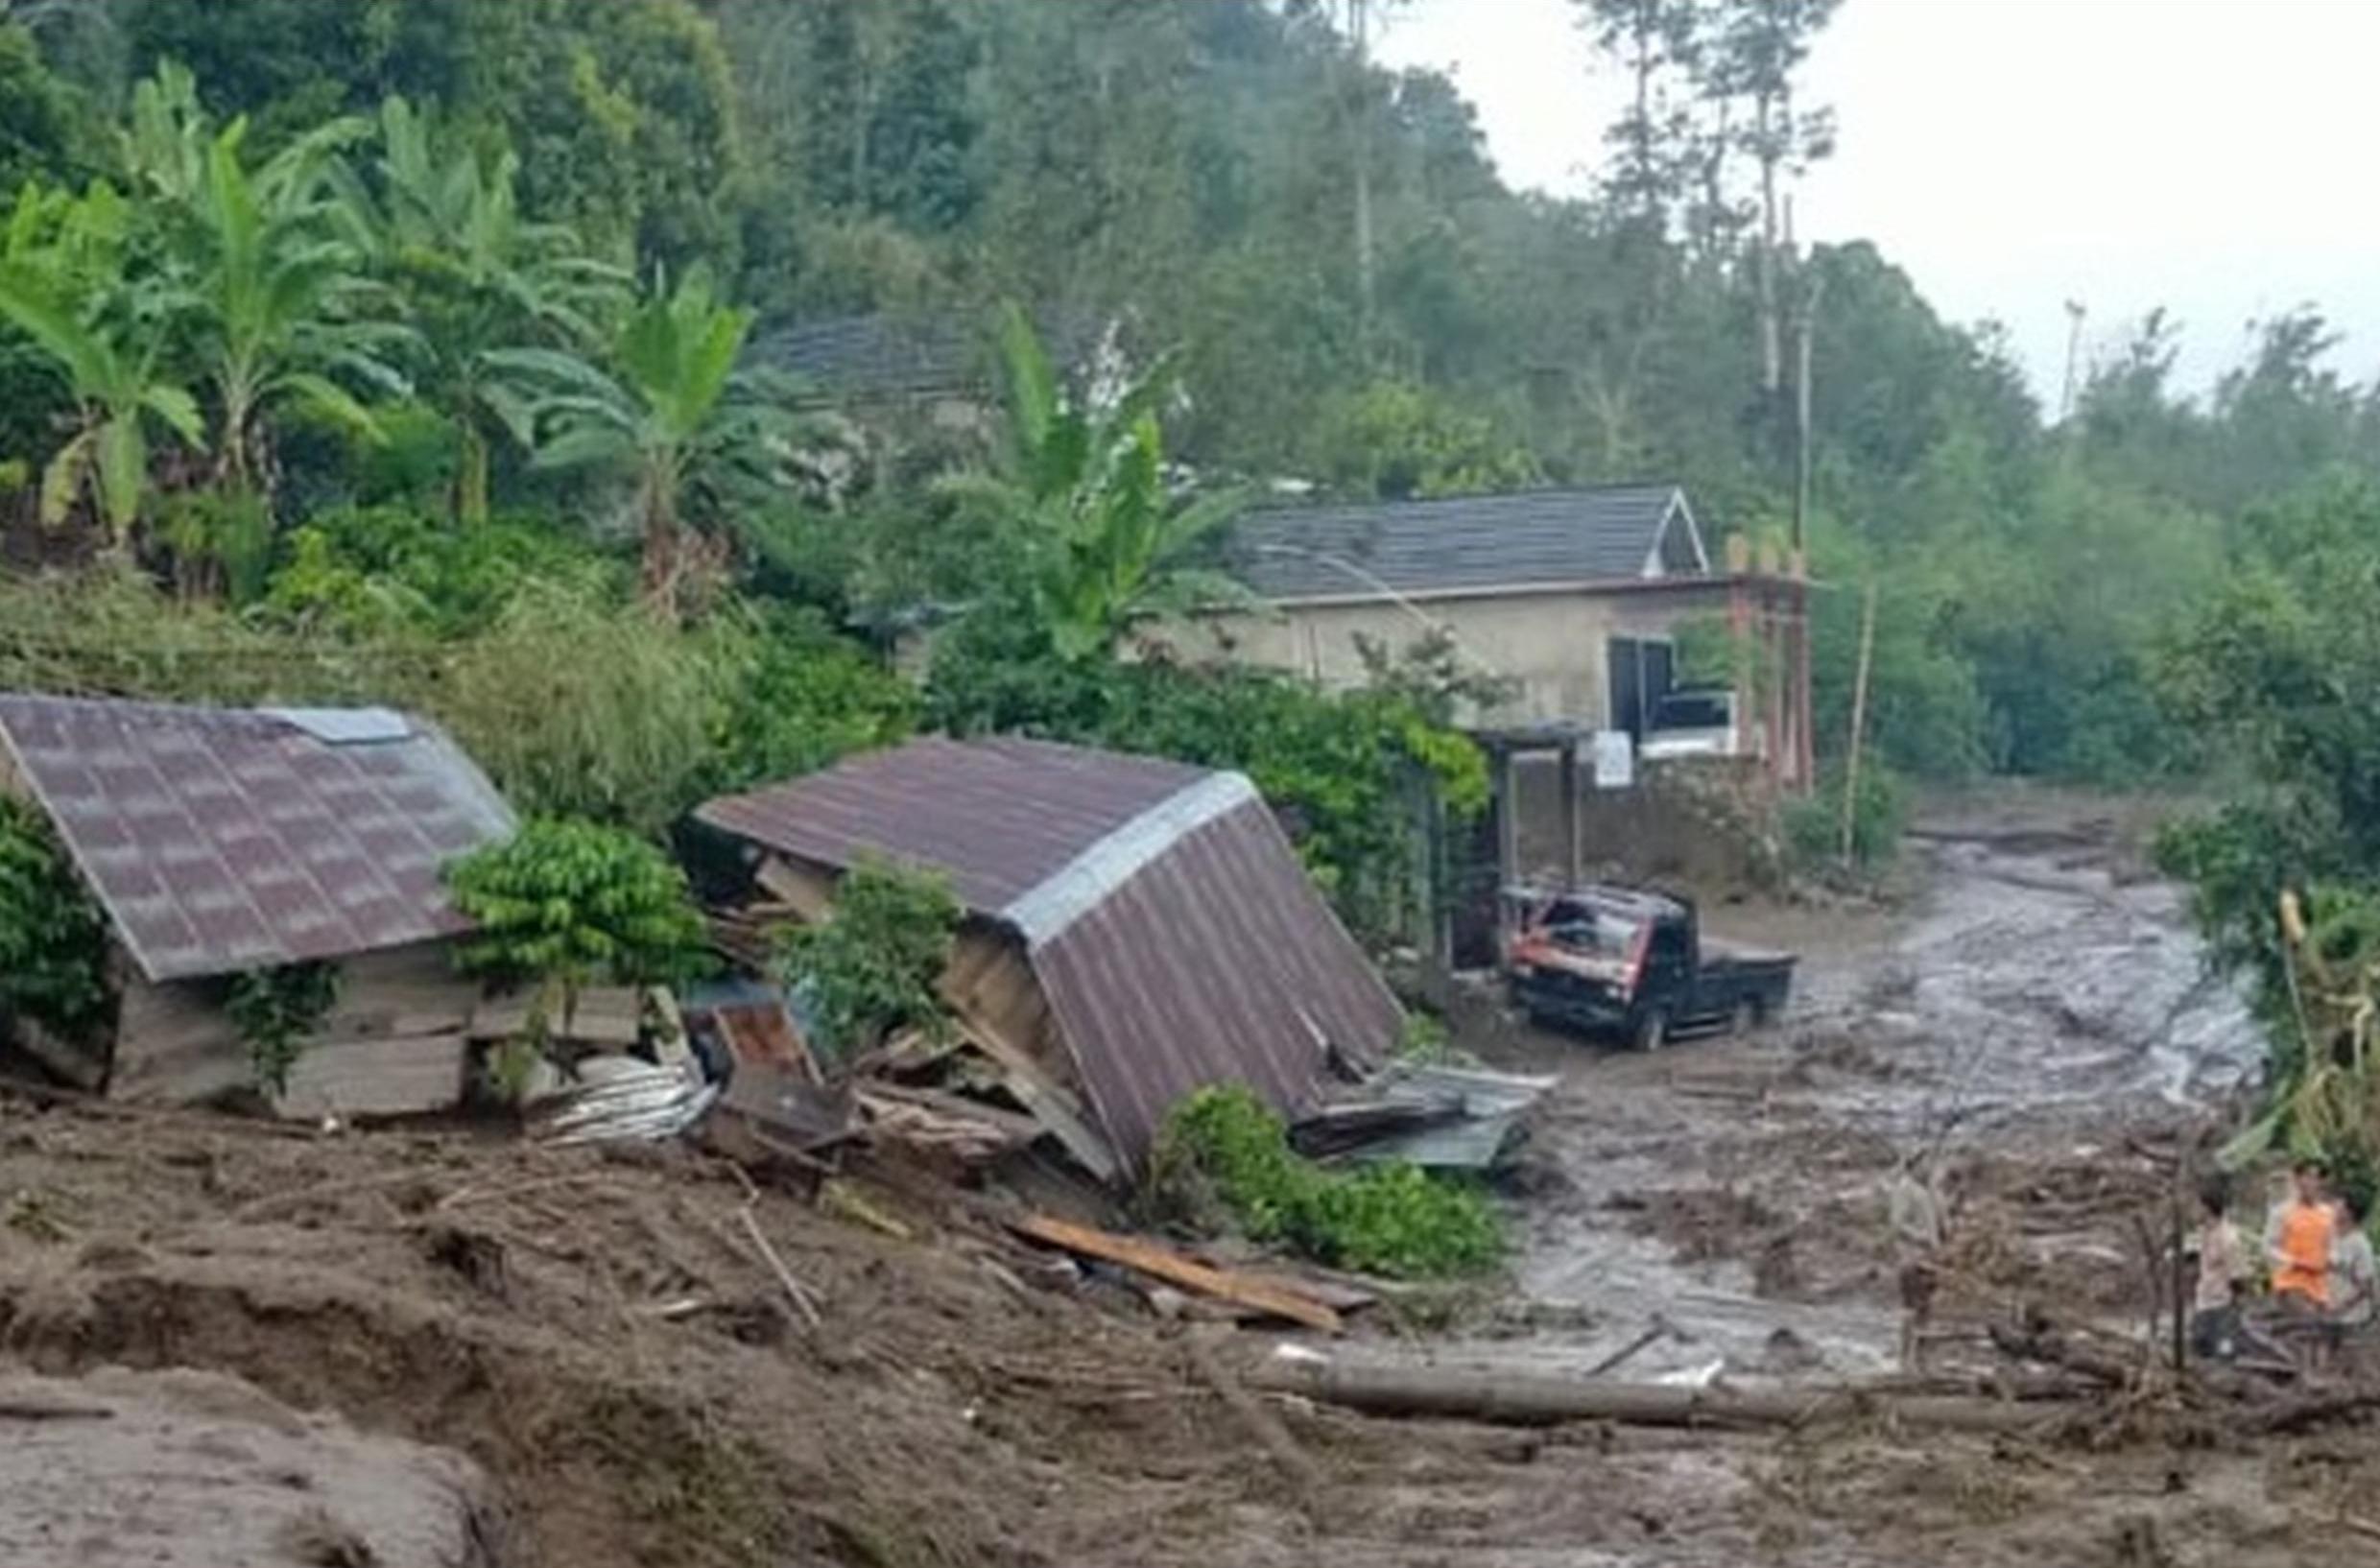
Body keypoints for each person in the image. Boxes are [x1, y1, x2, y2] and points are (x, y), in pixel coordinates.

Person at [2190, 1174, 2251, 1362]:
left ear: (2207, 1208)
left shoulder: (2229, 1238)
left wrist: (2235, 1312)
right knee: (2200, 1357)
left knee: (2224, 1358)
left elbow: (2239, 1277)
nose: (2193, 1210)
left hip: (2223, 1307)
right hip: (2203, 1304)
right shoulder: (2203, 1234)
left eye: (2197, 1205)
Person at [2265, 1159, 2335, 1316]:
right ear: (2297, 1180)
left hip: (2320, 1288)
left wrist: (2330, 1260)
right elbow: (2269, 1248)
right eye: (2308, 1177)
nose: (2312, 1182)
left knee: (2327, 1332)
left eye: (2316, 1178)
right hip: (2291, 1284)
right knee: (2308, 1324)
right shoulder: (2282, 1212)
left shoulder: (2328, 1214)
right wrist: (2294, 1262)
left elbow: (2332, 1247)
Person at [2330, 1186, 2376, 1369]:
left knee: (2350, 1365)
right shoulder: (2333, 1237)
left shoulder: (2360, 1245)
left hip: (2351, 1319)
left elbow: (2366, 1285)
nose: (2333, 1207)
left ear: (2349, 1212)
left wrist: (2341, 1306)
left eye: (2338, 1204)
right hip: (2328, 1314)